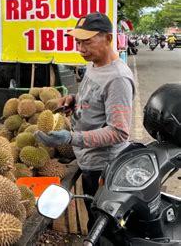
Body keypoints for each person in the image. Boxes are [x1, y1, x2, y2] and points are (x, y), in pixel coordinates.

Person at [35, 12, 135, 228]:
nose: (80, 48)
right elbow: (93, 96)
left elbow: (119, 132)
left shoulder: (118, 79)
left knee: (103, 227)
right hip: (87, 158)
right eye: (77, 42)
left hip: (103, 167)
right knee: (94, 217)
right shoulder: (93, 64)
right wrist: (74, 100)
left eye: (87, 42)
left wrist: (71, 137)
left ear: (109, 39)